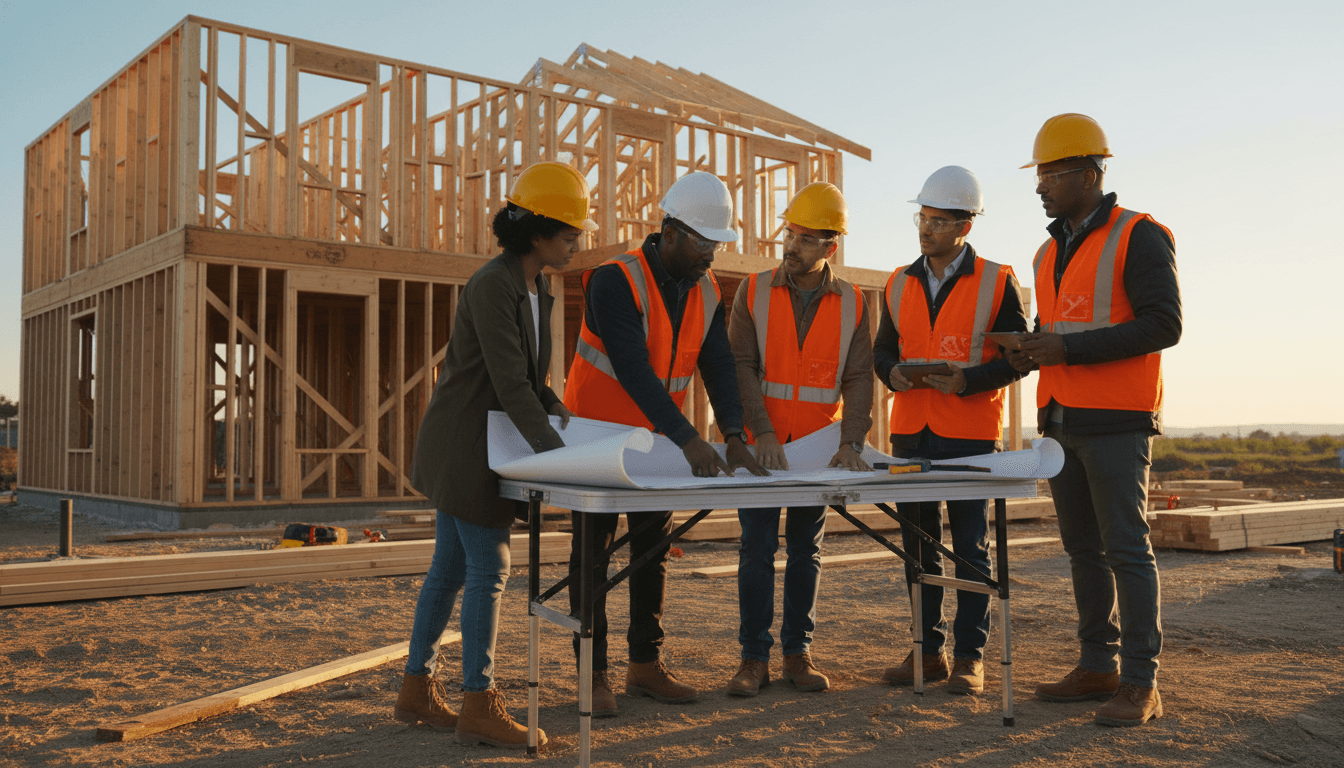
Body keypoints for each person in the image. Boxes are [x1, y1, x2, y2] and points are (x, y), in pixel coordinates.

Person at [398, 161, 596, 748]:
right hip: (465, 446)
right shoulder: (493, 285)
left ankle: (415, 689)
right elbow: (509, 383)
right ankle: (478, 704)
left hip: (484, 441)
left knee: (451, 569)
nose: (576, 244)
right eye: (569, 235)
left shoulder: (537, 287)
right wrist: (558, 461)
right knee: (490, 570)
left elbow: (525, 376)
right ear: (537, 233)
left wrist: (551, 400)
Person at [563, 171, 768, 717]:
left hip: (653, 443)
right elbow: (633, 370)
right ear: (670, 233)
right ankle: (592, 673)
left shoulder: (706, 288)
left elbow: (718, 365)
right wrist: (689, 440)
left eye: (718, 244)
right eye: (704, 243)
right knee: (592, 560)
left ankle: (644, 665)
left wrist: (733, 435)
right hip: (596, 441)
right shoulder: (615, 280)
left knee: (652, 553)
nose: (712, 255)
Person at [1008, 114, 1181, 727]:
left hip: (1116, 421)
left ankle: (1139, 683)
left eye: (1051, 174)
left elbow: (1164, 325)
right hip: (1060, 421)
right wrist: (1031, 349)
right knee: (1083, 549)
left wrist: (1066, 348)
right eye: (1039, 175)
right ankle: (1096, 665)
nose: (1040, 186)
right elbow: (1060, 330)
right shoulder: (1046, 251)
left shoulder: (1140, 235)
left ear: (1089, 173)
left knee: (1126, 549)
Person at [872, 166, 1028, 695]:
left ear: (965, 226)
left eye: (938, 221)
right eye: (922, 218)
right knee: (917, 547)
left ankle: (969, 657)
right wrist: (890, 373)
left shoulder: (997, 280)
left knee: (969, 548)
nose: (926, 228)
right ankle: (926, 650)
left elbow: (1019, 359)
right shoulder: (898, 281)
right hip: (910, 432)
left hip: (969, 434)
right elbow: (883, 349)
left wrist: (968, 381)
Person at [724, 182, 873, 697]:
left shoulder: (853, 301)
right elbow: (740, 365)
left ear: (831, 246)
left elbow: (858, 376)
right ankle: (752, 659)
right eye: (790, 233)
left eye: (807, 239)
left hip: (817, 447)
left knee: (806, 550)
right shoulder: (754, 290)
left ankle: (797, 654)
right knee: (756, 549)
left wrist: (851, 441)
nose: (792, 246)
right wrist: (762, 431)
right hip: (762, 446)